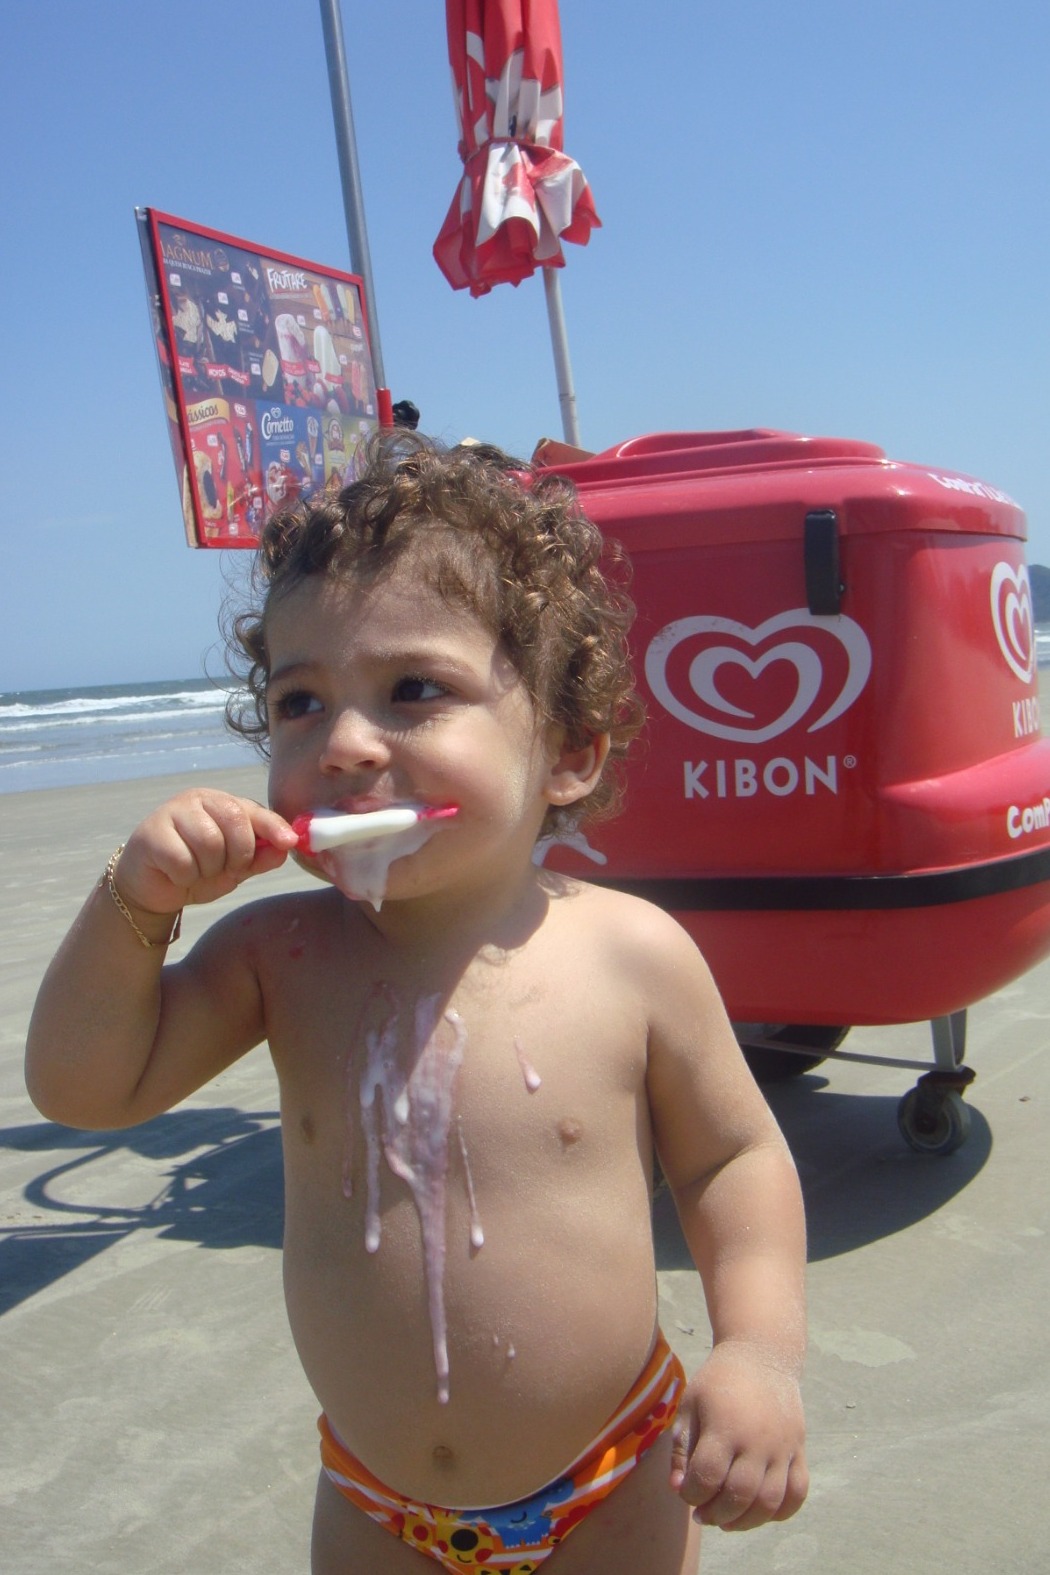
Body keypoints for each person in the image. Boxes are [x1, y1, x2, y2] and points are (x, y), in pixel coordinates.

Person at [26, 434, 808, 1574]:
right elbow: (83, 1090)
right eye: (300, 702)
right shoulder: (278, 956)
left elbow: (735, 1159)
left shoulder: (631, 956)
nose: (345, 744)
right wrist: (133, 905)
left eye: (414, 691)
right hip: (374, 1501)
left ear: (569, 751)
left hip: (615, 1475)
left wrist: (760, 1351)